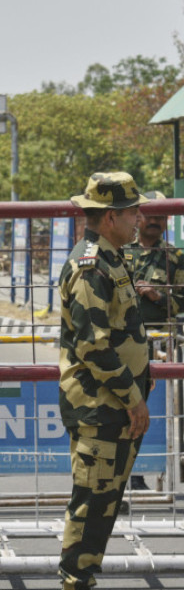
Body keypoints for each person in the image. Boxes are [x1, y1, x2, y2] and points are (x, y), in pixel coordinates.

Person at [52, 172, 151, 590]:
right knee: (91, 504)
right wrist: (134, 400)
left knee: (104, 504)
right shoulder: (92, 266)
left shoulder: (112, 258)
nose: (140, 219)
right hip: (100, 406)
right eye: (133, 212)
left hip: (112, 406)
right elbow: (94, 346)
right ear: (110, 217)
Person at [122, 189, 184, 490]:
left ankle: (169, 472)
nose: (155, 222)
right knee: (129, 411)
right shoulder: (120, 252)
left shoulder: (175, 258)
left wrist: (159, 295)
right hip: (125, 346)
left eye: (161, 217)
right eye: (150, 216)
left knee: (168, 414)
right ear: (139, 216)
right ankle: (130, 476)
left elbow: (183, 302)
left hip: (163, 349)